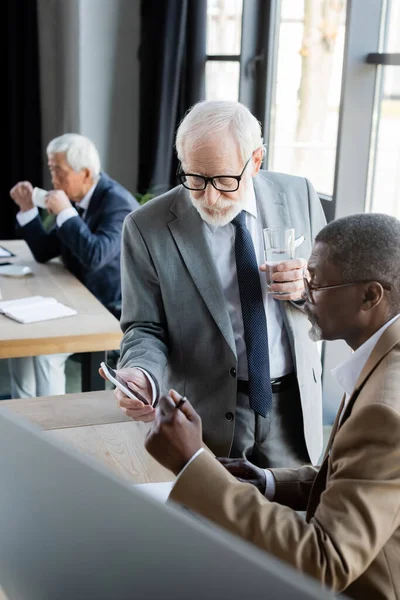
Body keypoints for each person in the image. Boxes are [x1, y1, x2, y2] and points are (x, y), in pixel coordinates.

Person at [145, 213, 400, 600]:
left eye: (316, 283)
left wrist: (192, 462)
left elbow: (324, 561)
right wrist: (265, 481)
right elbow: (357, 478)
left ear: (370, 295)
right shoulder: (382, 359)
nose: (304, 294)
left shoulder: (383, 408)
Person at [109, 100, 326, 468]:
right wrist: (142, 372)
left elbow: (336, 290)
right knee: (208, 522)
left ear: (256, 160)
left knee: (294, 519)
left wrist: (308, 289)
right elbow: (144, 326)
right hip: (204, 415)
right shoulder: (146, 227)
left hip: (295, 406)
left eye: (225, 181)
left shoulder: (299, 195)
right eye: (194, 179)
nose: (209, 197)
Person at [9, 133, 139, 398]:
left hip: (110, 308)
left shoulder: (117, 204)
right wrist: (27, 209)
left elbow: (95, 256)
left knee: (46, 353)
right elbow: (46, 251)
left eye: (59, 171)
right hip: (76, 298)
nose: (54, 180)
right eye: (51, 170)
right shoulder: (77, 199)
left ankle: (54, 430)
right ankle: (23, 421)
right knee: (21, 344)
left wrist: (66, 212)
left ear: (86, 173)